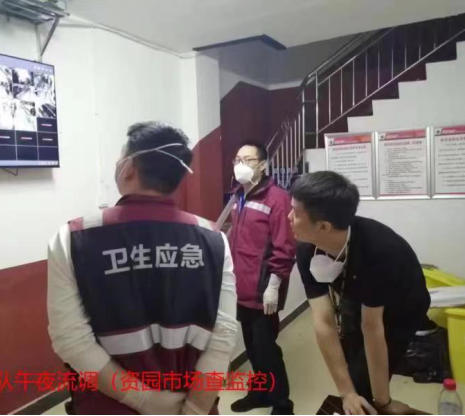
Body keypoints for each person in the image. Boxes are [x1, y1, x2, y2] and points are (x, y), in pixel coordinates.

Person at [48, 122, 239, 415]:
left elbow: (71, 341)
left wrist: (145, 401)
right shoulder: (214, 239)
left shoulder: (73, 238)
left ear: (128, 168)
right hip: (191, 402)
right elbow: (223, 338)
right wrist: (194, 409)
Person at [289, 171, 431, 416]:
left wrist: (383, 401)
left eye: (295, 212)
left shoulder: (379, 250)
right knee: (353, 375)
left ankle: (382, 403)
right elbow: (323, 321)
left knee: (366, 381)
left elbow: (373, 328)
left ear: (323, 226)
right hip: (356, 298)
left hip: (402, 309)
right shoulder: (306, 249)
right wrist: (346, 392)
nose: (289, 217)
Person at [229, 143, 296, 416]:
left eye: (248, 159)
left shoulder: (277, 198)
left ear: (263, 165)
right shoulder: (239, 194)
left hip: (263, 288)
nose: (240, 165)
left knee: (266, 349)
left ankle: (282, 405)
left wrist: (274, 286)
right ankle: (260, 393)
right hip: (241, 287)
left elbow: (285, 247)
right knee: (252, 347)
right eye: (237, 159)